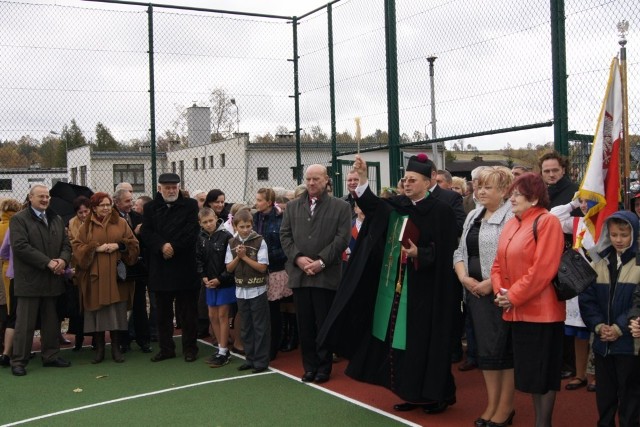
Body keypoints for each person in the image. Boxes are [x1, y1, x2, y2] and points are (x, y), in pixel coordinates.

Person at [320, 154, 459, 414]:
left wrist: (422, 254)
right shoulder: (399, 205)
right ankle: (408, 391)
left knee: (424, 343)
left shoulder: (441, 211)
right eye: (405, 179)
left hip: (426, 291)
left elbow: (447, 252)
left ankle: (435, 396)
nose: (407, 184)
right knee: (400, 342)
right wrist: (362, 178)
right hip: (397, 287)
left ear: (428, 182)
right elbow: (373, 206)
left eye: (413, 180)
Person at [492, 173, 565, 427]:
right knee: (532, 375)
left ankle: (543, 424)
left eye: (516, 194)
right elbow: (497, 264)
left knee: (542, 375)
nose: (511, 198)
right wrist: (501, 292)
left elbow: (543, 269)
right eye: (511, 193)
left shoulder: (548, 222)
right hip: (515, 311)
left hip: (541, 314)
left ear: (533, 199)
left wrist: (511, 296)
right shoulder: (512, 223)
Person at [453, 167, 515, 426]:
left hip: (499, 295)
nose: (480, 191)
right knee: (487, 354)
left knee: (503, 352)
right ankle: (492, 404)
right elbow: (459, 251)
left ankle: (506, 408)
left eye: (487, 187)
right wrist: (464, 278)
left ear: (503, 191)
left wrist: (491, 283)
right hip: (474, 294)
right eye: (478, 187)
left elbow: (513, 257)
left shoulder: (512, 216)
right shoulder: (473, 216)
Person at [280, 164, 351, 384]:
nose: (311, 183)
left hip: (325, 276)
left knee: (323, 323)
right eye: (308, 179)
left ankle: (323, 367)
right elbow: (285, 236)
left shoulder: (341, 207)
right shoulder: (292, 207)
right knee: (305, 324)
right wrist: (298, 258)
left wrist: (321, 261)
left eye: (316, 179)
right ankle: (309, 366)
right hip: (300, 276)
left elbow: (342, 239)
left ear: (326, 180)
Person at [581, 211, 640, 427]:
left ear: (634, 235)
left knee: (630, 395)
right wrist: (597, 325)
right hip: (602, 342)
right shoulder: (598, 261)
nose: (618, 239)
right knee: (604, 396)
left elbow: (638, 303)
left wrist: (618, 327)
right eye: (613, 234)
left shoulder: (639, 263)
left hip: (629, 343)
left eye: (624, 235)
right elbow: (587, 299)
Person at [9, 185, 72, 376]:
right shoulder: (19, 219)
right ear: (31, 198)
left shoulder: (56, 219)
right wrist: (47, 263)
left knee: (51, 322)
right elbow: (20, 247)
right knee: (24, 324)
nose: (45, 199)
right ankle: (19, 360)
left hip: (52, 281)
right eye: (41, 196)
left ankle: (51, 356)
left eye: (47, 196)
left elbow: (66, 245)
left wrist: (62, 260)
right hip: (29, 282)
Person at [72, 192, 140, 364]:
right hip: (95, 277)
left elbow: (134, 244)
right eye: (101, 205)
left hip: (116, 276)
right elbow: (77, 248)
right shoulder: (86, 226)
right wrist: (95, 248)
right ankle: (100, 349)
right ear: (94, 208)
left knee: (117, 312)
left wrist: (118, 245)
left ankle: (116, 348)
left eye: (108, 204)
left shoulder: (121, 222)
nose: (105, 208)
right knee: (97, 312)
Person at [140, 173, 200, 362]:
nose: (172, 190)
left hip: (184, 266)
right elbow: (146, 232)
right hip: (161, 267)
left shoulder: (190, 205)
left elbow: (191, 231)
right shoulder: (150, 208)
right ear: (160, 189)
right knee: (163, 313)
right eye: (168, 187)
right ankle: (166, 348)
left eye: (174, 187)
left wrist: (173, 246)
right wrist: (161, 246)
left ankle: (190, 348)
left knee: (188, 313)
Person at [550, 197, 595, 391]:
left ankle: (597, 374)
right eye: (582, 201)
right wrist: (572, 205)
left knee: (597, 330)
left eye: (588, 201)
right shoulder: (577, 222)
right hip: (580, 281)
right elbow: (552, 217)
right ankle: (580, 373)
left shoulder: (608, 220)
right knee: (579, 333)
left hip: (600, 281)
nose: (584, 205)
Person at [226, 209, 270, 373]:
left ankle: (261, 361)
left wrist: (245, 257)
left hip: (257, 289)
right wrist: (238, 257)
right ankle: (250, 358)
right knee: (246, 326)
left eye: (248, 226)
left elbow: (262, 267)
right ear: (235, 226)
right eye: (242, 226)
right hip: (240, 290)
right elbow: (229, 268)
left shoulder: (259, 241)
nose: (245, 229)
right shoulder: (232, 243)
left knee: (260, 326)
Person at [253, 188, 292, 361]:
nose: (257, 203)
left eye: (260, 200)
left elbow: (285, 246)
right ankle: (262, 345)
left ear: (269, 202)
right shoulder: (254, 218)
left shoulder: (281, 218)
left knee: (273, 310)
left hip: (275, 269)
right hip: (257, 270)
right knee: (262, 310)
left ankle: (272, 347)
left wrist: (265, 258)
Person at [113, 188, 151, 354]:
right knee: (122, 306)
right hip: (121, 269)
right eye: (127, 201)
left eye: (131, 200)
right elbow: (116, 241)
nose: (131, 204)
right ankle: (123, 341)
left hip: (138, 268)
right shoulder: (112, 220)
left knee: (140, 305)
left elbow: (146, 240)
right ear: (117, 202)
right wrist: (133, 235)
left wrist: (140, 235)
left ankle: (144, 340)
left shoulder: (137, 217)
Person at [195, 207, 234, 367]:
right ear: (200, 223)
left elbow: (231, 264)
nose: (209, 224)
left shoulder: (226, 236)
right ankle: (220, 348)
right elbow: (198, 259)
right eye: (205, 222)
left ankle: (224, 352)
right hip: (209, 283)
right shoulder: (201, 237)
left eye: (211, 220)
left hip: (224, 283)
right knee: (212, 315)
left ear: (216, 218)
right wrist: (203, 276)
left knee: (222, 315)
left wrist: (220, 279)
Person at [66, 196, 91, 351]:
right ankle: (79, 339)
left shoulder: (96, 222)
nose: (83, 215)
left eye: (85, 211)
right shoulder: (71, 223)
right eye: (80, 212)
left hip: (93, 266)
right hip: (77, 268)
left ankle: (96, 338)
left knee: (93, 304)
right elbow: (71, 244)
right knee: (78, 307)